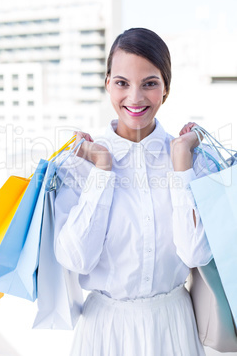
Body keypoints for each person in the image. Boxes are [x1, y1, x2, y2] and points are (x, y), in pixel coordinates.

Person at [53, 28, 213, 355]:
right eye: (122, 83)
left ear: (166, 88)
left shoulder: (192, 160)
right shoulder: (79, 162)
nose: (136, 98)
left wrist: (181, 164)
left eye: (150, 83)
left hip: (174, 329)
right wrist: (102, 170)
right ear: (107, 83)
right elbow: (75, 258)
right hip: (104, 332)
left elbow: (195, 254)